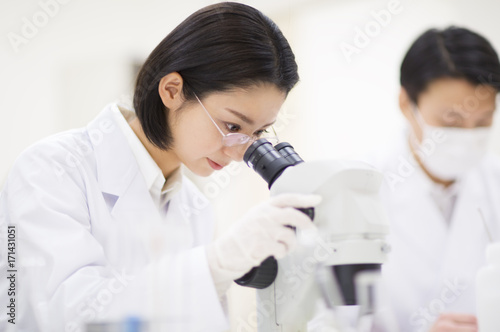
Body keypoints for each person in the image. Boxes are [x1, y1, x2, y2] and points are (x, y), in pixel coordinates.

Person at [0, 3, 321, 331]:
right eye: (232, 126)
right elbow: (64, 316)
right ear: (172, 91)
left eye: (258, 134)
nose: (239, 153)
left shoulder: (195, 209)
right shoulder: (49, 169)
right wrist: (214, 265)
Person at [364, 26, 500, 332]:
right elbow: (327, 321)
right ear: (406, 104)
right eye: (451, 120)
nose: (467, 136)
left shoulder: (495, 181)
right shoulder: (360, 189)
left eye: (483, 121)